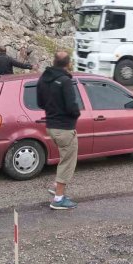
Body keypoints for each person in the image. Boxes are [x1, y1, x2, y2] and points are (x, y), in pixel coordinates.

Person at [37, 51, 81, 210]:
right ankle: (58, 198)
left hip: (51, 125)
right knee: (68, 161)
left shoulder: (43, 78)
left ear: (53, 62)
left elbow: (40, 102)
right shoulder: (65, 81)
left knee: (64, 157)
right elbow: (71, 106)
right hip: (64, 127)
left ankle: (57, 187)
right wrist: (76, 113)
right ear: (68, 64)